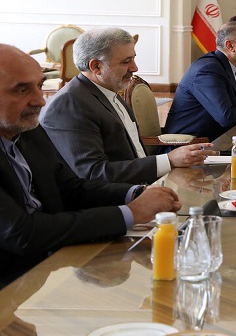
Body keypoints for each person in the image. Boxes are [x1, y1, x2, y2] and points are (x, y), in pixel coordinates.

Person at [0, 44, 180, 288]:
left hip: (53, 264)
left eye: (40, 86)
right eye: (22, 90)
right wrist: (131, 213)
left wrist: (135, 193)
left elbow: (71, 188)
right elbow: (23, 233)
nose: (40, 101)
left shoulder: (27, 130)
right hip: (14, 282)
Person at [41, 28, 215, 185]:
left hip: (143, 187)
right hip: (114, 202)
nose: (135, 67)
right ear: (96, 66)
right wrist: (168, 160)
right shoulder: (70, 104)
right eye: (126, 61)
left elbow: (134, 154)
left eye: (133, 58)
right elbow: (94, 173)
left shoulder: (108, 92)